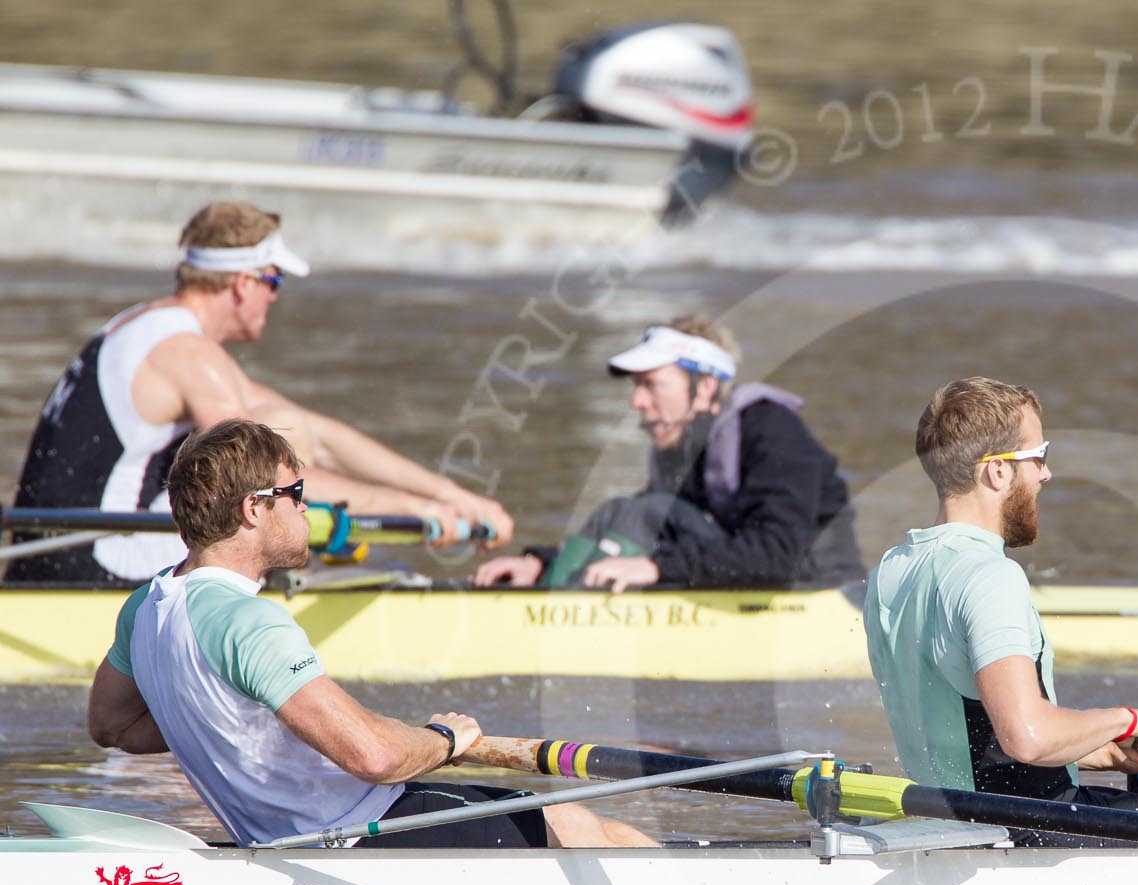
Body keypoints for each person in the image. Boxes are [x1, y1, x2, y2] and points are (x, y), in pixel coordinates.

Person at [85, 419, 651, 850]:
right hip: (359, 833)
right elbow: (376, 758)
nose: (308, 507)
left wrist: (221, 724)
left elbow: (110, 727)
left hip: (286, 837)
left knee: (596, 831)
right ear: (253, 510)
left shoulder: (146, 607)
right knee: (576, 826)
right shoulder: (249, 620)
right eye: (296, 493)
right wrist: (441, 740)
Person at [9, 201, 512, 585]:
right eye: (274, 282)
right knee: (261, 484)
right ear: (244, 283)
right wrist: (414, 513)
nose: (275, 296)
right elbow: (262, 475)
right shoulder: (188, 355)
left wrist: (448, 496)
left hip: (54, 547)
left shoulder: (149, 325)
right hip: (90, 560)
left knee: (286, 436)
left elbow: (318, 434)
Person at [863, 377, 1138, 826]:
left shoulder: (891, 570)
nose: (1046, 474)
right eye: (1038, 457)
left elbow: (971, 741)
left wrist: (1111, 755)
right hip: (1026, 828)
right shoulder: (991, 577)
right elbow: (1025, 739)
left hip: (949, 820)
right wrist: (1129, 720)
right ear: (997, 471)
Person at [471, 316, 859, 593]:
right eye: (637, 387)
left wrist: (656, 567)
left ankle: (556, 603)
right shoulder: (682, 444)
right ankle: (551, 583)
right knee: (622, 510)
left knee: (647, 510)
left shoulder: (773, 431)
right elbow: (628, 529)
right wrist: (539, 562)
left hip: (818, 593)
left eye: (651, 385)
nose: (637, 401)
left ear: (705, 388)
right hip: (760, 584)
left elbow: (777, 553)